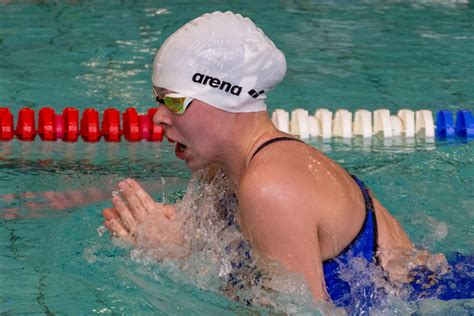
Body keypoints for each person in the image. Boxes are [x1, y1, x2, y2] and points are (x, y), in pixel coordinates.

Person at [102, 11, 471, 308]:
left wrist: (175, 262)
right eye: (158, 100)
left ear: (225, 95)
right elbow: (224, 260)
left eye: (174, 101)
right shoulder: (221, 170)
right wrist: (170, 243)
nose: (158, 117)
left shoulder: (271, 187)